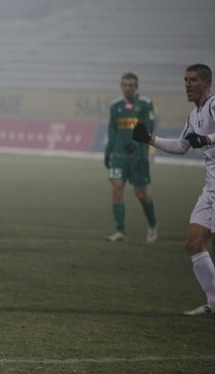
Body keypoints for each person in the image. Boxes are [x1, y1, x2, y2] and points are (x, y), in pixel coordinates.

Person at [133, 63, 215, 316]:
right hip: (211, 187)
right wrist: (150, 139)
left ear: (207, 83)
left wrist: (208, 139)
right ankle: (213, 302)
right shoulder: (194, 115)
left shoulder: (213, 105)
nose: (187, 85)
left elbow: (205, 139)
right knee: (194, 242)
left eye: (192, 80)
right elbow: (181, 146)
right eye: (185, 80)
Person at [104, 72, 158, 242]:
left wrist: (137, 144)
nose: (128, 88)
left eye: (131, 85)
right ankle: (120, 231)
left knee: (140, 193)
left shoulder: (145, 104)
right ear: (121, 86)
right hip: (119, 156)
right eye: (125, 85)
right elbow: (112, 130)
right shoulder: (115, 106)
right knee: (116, 188)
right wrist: (108, 151)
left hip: (138, 157)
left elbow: (149, 127)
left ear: (136, 87)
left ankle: (152, 225)